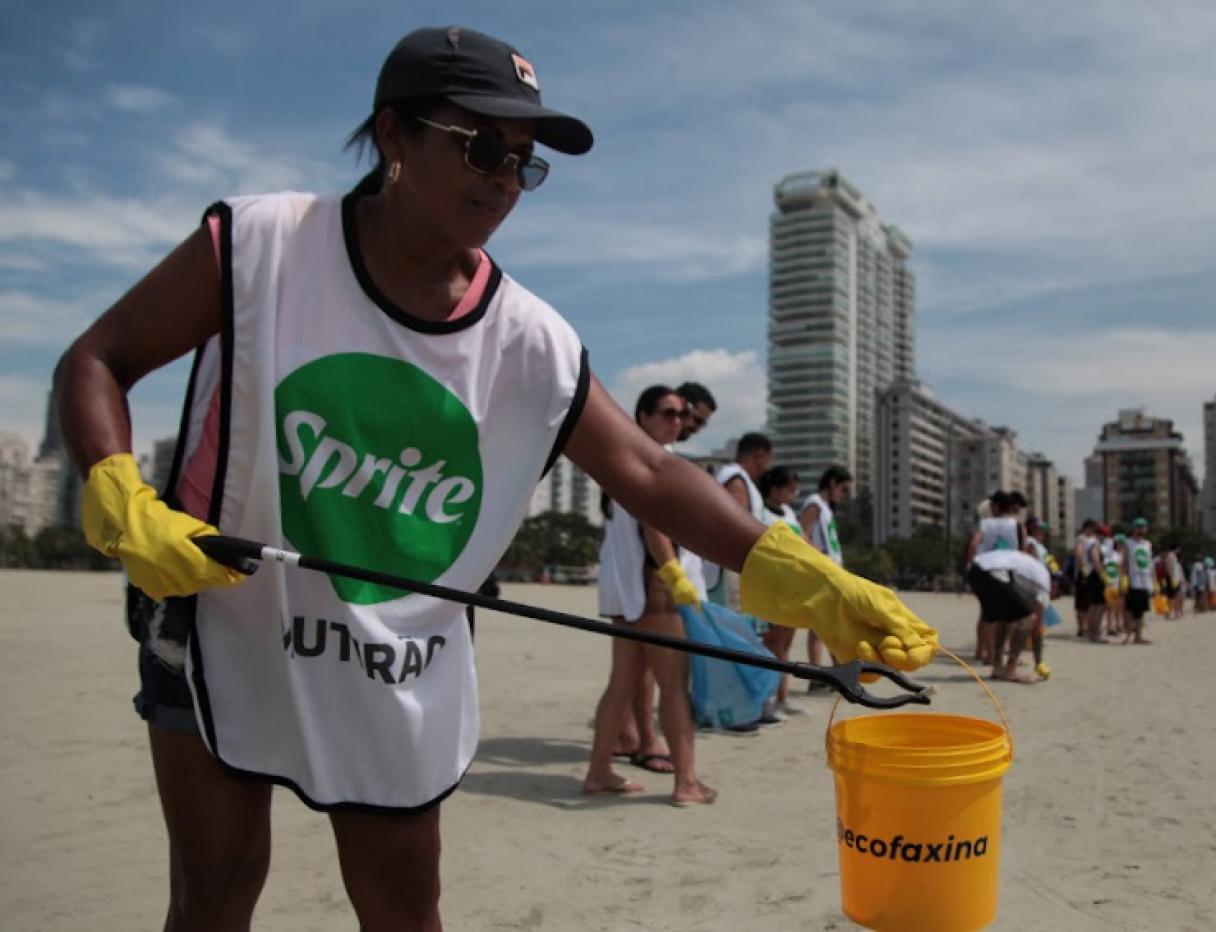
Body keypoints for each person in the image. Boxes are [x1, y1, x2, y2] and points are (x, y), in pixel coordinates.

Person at [54, 26, 939, 930]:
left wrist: (806, 576)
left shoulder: (530, 340)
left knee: (404, 896)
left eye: (524, 163)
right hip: (220, 620)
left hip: (395, 655)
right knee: (217, 884)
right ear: (395, 135)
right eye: (481, 147)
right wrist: (119, 495)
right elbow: (98, 358)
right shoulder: (258, 244)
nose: (505, 179)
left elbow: (643, 469)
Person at [587, 386, 711, 803]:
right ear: (642, 416)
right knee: (674, 685)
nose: (678, 421)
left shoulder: (619, 460)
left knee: (621, 684)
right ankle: (687, 783)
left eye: (682, 414)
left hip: (627, 592)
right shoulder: (654, 464)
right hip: (656, 586)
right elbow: (653, 526)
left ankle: (599, 770)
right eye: (667, 413)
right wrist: (675, 575)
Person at [757, 465, 806, 718]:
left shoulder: (788, 512)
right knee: (771, 643)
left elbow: (803, 541)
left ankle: (783, 696)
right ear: (774, 489)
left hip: (793, 584)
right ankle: (767, 699)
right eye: (789, 488)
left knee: (785, 644)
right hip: (772, 585)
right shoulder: (762, 512)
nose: (794, 493)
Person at [799, 465, 853, 690]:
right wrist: (818, 557)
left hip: (832, 570)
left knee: (832, 625)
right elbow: (802, 533)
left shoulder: (826, 507)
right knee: (820, 627)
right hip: (821, 571)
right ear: (832, 483)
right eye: (843, 489)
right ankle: (818, 676)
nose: (844, 495)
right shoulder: (814, 502)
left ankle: (836, 673)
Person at [966, 548, 1052, 684]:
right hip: (993, 573)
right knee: (1028, 619)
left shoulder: (1031, 569)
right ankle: (1010, 669)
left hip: (975, 570)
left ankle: (998, 668)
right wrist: (1039, 661)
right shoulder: (1044, 582)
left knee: (1004, 620)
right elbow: (1037, 627)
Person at [711, 432, 773, 608]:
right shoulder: (736, 480)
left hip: (736, 569)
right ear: (760, 456)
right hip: (731, 572)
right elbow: (735, 529)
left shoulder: (736, 477)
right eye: (768, 460)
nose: (767, 467)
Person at [965, 490, 1026, 665]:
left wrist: (970, 565)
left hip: (983, 570)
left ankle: (984, 652)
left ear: (997, 507)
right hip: (1006, 571)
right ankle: (998, 654)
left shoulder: (985, 524)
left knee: (987, 614)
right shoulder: (1017, 525)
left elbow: (974, 544)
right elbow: (1022, 550)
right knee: (1007, 617)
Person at [1022, 516, 1057, 679]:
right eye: (1039, 529)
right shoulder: (1030, 542)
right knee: (1033, 623)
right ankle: (1037, 661)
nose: (1042, 532)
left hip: (1041, 587)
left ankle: (1037, 660)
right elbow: (1031, 564)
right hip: (1035, 589)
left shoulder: (1039, 545)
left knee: (1037, 624)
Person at [1122, 517, 1156, 645]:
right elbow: (1124, 562)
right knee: (1130, 609)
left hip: (1145, 580)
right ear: (1134, 528)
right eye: (1138, 527)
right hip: (1133, 580)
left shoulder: (1148, 544)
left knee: (1141, 610)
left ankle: (1138, 636)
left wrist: (1154, 581)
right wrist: (1124, 578)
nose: (1140, 530)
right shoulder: (1128, 543)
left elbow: (1150, 564)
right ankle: (1128, 635)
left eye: (1143, 527)